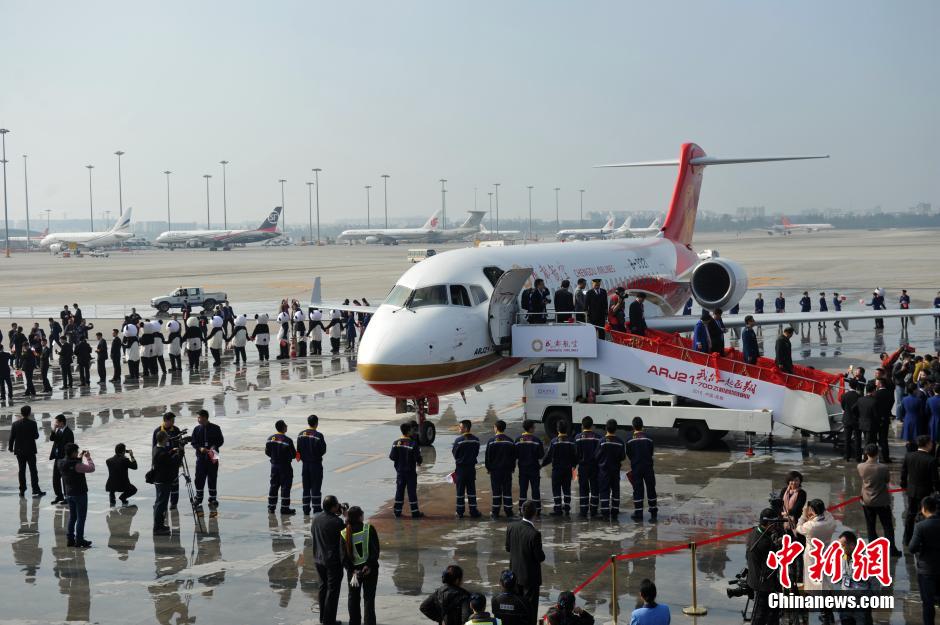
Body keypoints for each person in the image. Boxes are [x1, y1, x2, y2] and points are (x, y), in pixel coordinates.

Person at [506, 501, 545, 625]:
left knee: (517, 608)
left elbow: (508, 548)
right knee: (530, 610)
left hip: (514, 576)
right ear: (535, 513)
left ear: (522, 511)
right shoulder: (534, 534)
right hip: (530, 578)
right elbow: (540, 557)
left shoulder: (511, 527)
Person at [857, 444, 900, 556]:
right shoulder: (883, 468)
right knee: (887, 526)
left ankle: (872, 549)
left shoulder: (860, 466)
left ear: (866, 453)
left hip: (866, 500)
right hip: (882, 501)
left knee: (870, 526)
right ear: (877, 453)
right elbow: (886, 480)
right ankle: (891, 550)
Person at [342, 505, 380, 625]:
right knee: (369, 599)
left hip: (353, 574)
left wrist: (352, 570)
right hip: (370, 570)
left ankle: (354, 622)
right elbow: (375, 550)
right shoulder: (368, 529)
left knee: (353, 599)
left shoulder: (344, 533)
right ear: (360, 517)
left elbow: (343, 557)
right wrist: (368, 566)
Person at [313, 495, 347, 625]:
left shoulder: (316, 518)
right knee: (333, 591)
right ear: (333, 507)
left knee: (323, 588)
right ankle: (329, 620)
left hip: (318, 559)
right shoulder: (336, 522)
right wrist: (345, 516)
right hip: (332, 561)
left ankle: (323, 618)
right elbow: (347, 534)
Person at [901, 435, 940, 546]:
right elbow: (935, 480)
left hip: (911, 491)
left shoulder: (909, 456)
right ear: (927, 444)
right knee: (923, 516)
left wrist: (904, 485)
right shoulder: (931, 460)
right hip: (925, 493)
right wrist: (937, 491)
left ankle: (906, 539)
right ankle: (921, 539)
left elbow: (904, 473)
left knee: (910, 515)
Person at [746, 508, 782, 625]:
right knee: (761, 614)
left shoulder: (753, 533)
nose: (776, 526)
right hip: (764, 583)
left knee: (771, 610)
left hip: (754, 577)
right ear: (768, 523)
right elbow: (773, 563)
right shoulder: (765, 542)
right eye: (774, 523)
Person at [909, 494, 940, 625]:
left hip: (927, 570)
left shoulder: (920, 526)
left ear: (924, 509)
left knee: (928, 604)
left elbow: (912, 547)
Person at [59, 443, 94, 547]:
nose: (78, 453)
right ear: (73, 453)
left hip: (69, 493)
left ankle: (70, 539)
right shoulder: (77, 465)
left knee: (72, 517)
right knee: (81, 518)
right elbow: (91, 468)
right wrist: (88, 458)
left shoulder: (61, 463)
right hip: (80, 493)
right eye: (77, 452)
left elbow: (72, 465)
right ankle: (79, 540)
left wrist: (79, 458)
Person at [191, 409, 224, 514]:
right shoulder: (197, 429)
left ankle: (212, 498)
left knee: (212, 476)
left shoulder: (216, 428)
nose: (198, 419)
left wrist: (214, 447)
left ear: (204, 417)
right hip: (201, 456)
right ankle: (199, 498)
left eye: (199, 417)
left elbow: (220, 440)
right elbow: (193, 442)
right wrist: (200, 448)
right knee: (199, 477)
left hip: (213, 454)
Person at [541, 420, 576, 516]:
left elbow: (548, 456)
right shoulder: (571, 442)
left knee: (556, 488)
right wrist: (574, 465)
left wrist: (542, 465)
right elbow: (575, 455)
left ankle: (558, 508)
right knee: (566, 488)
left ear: (557, 429)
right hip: (567, 470)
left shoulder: (554, 442)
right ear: (567, 429)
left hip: (557, 470)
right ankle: (567, 507)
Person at [390, 422, 424, 518]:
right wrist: (419, 461)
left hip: (400, 472)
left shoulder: (395, 443)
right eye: (412, 430)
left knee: (399, 491)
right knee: (411, 492)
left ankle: (397, 511)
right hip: (410, 473)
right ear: (408, 431)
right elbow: (418, 458)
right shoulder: (413, 443)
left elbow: (392, 457)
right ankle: (415, 512)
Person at [9, 405, 44, 497]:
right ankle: (35, 489)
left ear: (21, 413)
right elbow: (36, 436)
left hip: (19, 451)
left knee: (21, 470)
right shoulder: (32, 423)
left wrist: (10, 447)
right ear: (29, 413)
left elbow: (12, 437)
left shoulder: (15, 424)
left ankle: (22, 490)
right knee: (33, 471)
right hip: (30, 450)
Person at [627, 417, 657, 522]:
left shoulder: (629, 440)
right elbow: (651, 452)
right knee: (651, 489)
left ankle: (638, 513)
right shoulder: (649, 438)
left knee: (638, 490)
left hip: (636, 468)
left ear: (633, 427)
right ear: (642, 426)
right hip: (648, 467)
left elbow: (629, 454)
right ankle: (653, 513)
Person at [486, 419, 517, 519]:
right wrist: (512, 468)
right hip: (507, 470)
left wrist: (488, 468)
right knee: (507, 491)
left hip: (495, 471)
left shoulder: (491, 441)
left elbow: (488, 457)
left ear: (496, 428)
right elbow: (513, 457)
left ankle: (495, 512)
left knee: (496, 491)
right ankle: (509, 512)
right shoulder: (510, 441)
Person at [596, 419, 626, 519]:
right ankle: (615, 511)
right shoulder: (620, 442)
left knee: (604, 491)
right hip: (615, 471)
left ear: (606, 428)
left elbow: (597, 456)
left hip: (604, 471)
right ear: (616, 429)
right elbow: (622, 457)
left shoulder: (602, 442)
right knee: (615, 490)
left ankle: (605, 512)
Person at [297, 414, 327, 516]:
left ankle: (306, 508)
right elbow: (323, 450)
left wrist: (301, 459)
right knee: (316, 487)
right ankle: (316, 508)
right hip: (315, 465)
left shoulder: (301, 434)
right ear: (316, 423)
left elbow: (298, 451)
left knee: (306, 487)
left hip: (305, 465)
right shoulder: (318, 436)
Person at [265, 419, 297, 515]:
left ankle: (271, 507)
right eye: (286, 425)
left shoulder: (270, 439)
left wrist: (275, 457)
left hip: (274, 466)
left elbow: (267, 452)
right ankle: (284, 508)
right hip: (285, 467)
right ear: (283, 427)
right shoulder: (287, 440)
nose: (287, 426)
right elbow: (294, 455)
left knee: (274, 486)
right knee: (285, 487)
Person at [453, 419, 482, 518]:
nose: (459, 429)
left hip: (461, 469)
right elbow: (476, 453)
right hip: (471, 468)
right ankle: (473, 511)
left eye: (460, 427)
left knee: (460, 491)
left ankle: (460, 512)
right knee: (471, 490)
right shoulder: (476, 440)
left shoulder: (458, 441)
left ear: (465, 428)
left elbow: (455, 454)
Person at [515, 419, 545, 514]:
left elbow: (515, 454)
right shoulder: (536, 440)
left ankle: (521, 509)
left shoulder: (518, 440)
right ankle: (537, 510)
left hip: (523, 469)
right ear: (531, 428)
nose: (535, 428)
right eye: (534, 427)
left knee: (523, 490)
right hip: (534, 469)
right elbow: (541, 455)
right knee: (535, 490)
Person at [574, 416, 600, 518]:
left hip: (583, 467)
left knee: (583, 489)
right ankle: (593, 511)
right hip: (594, 467)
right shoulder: (598, 437)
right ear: (592, 426)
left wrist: (575, 464)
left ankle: (583, 511)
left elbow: (575, 454)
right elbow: (599, 453)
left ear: (582, 426)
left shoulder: (577, 438)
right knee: (594, 489)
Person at [49, 414, 74, 504]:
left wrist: (67, 459)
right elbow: (51, 439)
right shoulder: (58, 430)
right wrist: (53, 430)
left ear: (61, 422)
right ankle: (59, 495)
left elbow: (70, 447)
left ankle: (67, 497)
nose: (55, 424)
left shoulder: (69, 432)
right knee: (55, 478)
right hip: (57, 458)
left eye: (57, 422)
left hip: (64, 459)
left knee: (65, 479)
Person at [841, 381, 862, 462]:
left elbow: (843, 407)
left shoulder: (844, 395)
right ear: (856, 386)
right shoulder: (859, 396)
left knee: (847, 439)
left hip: (847, 419)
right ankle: (858, 457)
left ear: (849, 385)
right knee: (857, 439)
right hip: (856, 420)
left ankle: (847, 456)